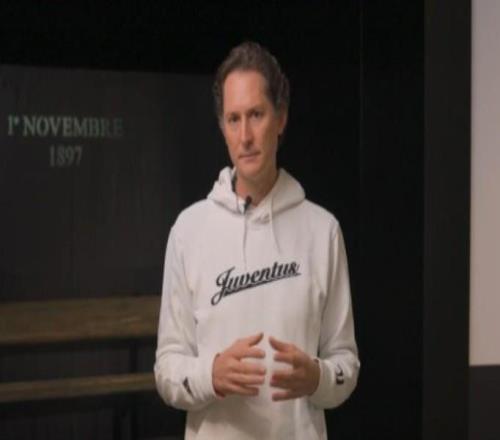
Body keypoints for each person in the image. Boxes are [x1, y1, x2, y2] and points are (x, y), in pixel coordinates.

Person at [155, 41, 360, 440]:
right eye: (233, 119)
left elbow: (346, 365)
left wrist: (317, 377)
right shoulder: (188, 231)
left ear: (281, 118)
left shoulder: (323, 231)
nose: (245, 135)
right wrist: (210, 375)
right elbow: (166, 369)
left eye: (256, 115)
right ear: (222, 127)